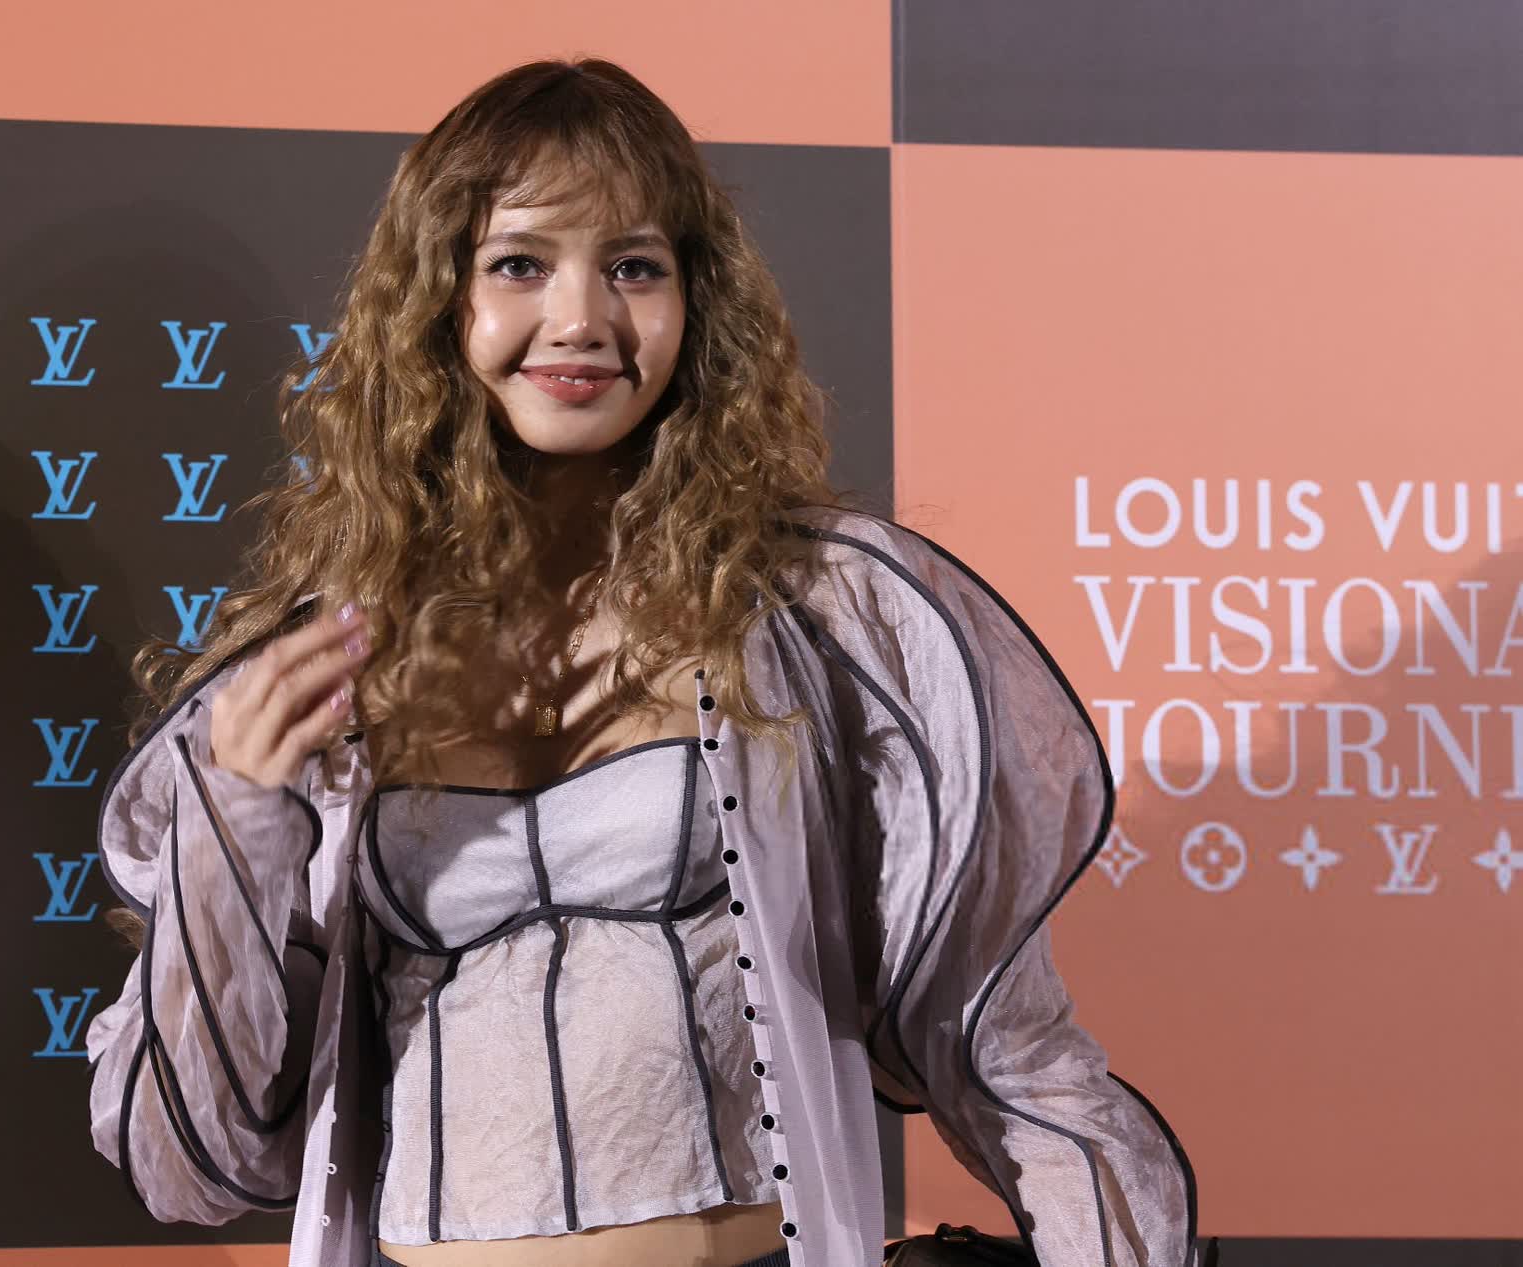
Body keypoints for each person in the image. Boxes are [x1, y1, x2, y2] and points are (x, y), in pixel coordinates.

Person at [84, 58, 1201, 1267]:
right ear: (438, 301)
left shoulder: (822, 611)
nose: (580, 320)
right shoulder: (338, 655)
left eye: (632, 267)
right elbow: (190, 1156)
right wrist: (239, 815)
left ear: (696, 302)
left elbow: (1006, 1046)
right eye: (519, 263)